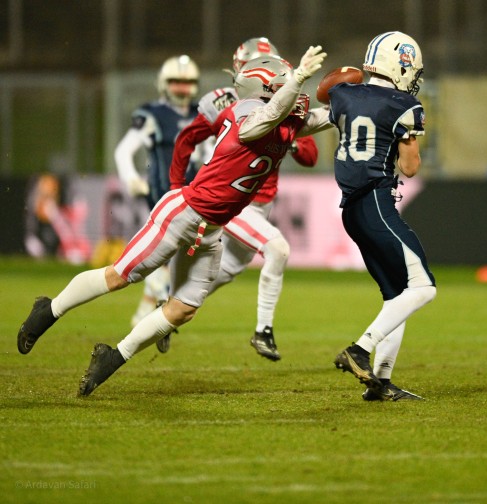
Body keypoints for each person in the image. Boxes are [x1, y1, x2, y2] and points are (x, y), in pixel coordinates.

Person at [17, 45, 333, 397]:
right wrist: (299, 78)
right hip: (184, 214)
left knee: (182, 310)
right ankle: (49, 310)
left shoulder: (280, 121)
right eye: (284, 86)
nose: (294, 93)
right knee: (119, 276)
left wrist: (353, 101)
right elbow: (268, 117)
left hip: (211, 232)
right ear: (263, 90)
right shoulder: (246, 114)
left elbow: (320, 118)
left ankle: (113, 357)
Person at [165, 37, 319, 361]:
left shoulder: (287, 102)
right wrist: (176, 187)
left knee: (229, 269)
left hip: (261, 205)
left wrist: (288, 136)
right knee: (276, 250)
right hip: (231, 200)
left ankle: (168, 310)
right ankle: (264, 331)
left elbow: (310, 157)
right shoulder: (223, 102)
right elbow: (186, 140)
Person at [330, 32, 436, 401]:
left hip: (351, 210)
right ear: (401, 65)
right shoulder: (402, 104)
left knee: (397, 296)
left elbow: (328, 111)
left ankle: (381, 382)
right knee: (423, 287)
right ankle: (360, 349)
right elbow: (410, 168)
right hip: (376, 203)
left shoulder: (344, 94)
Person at [114, 55, 210, 328]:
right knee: (167, 253)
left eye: (186, 81)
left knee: (174, 254)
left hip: (193, 194)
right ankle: (160, 309)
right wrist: (131, 179)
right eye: (176, 81)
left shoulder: (202, 112)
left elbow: (211, 150)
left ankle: (145, 311)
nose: (182, 87)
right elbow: (124, 151)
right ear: (164, 83)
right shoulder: (152, 114)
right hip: (163, 194)